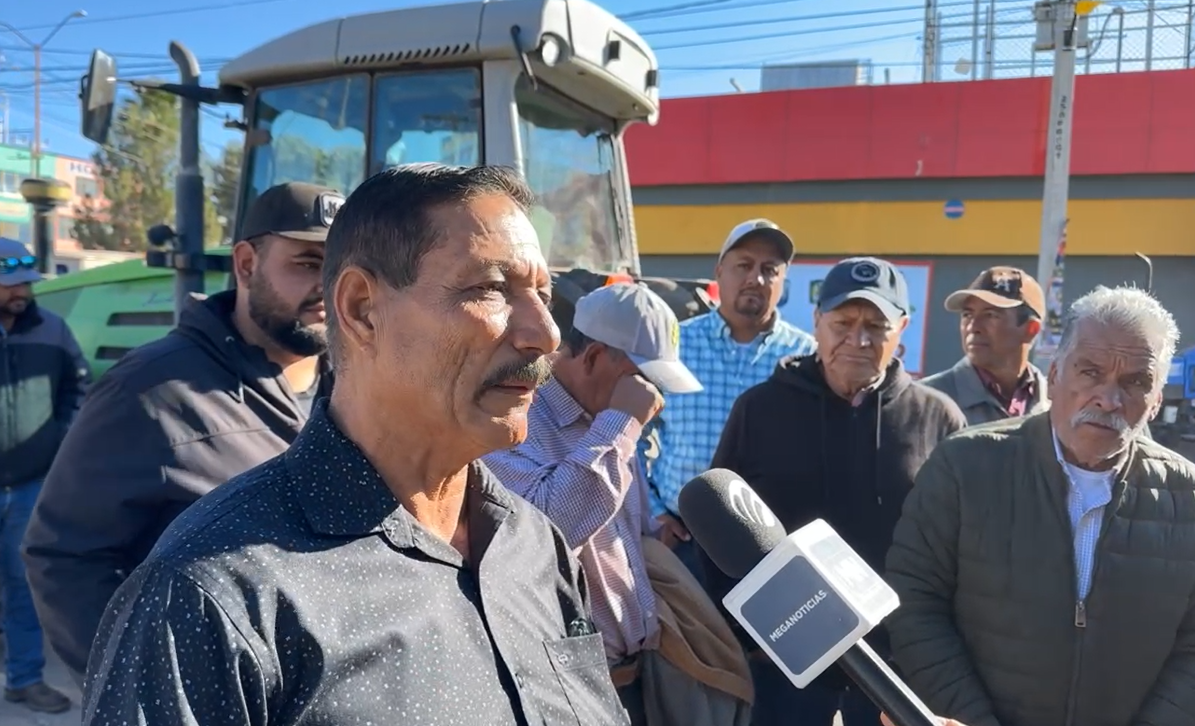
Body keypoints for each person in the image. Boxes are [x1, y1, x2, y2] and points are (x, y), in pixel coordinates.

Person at [82, 164, 630, 725]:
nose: (546, 333)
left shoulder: (535, 545)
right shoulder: (212, 594)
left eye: (544, 293)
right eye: (490, 289)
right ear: (362, 309)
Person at [22, 182, 341, 684]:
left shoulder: (361, 388)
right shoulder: (151, 391)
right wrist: (142, 688)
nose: (329, 283)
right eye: (306, 262)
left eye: (340, 263)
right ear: (246, 264)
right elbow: (64, 558)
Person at [886, 285, 1195, 726]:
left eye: (1136, 383)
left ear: (1158, 399)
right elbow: (915, 604)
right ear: (1054, 375)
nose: (1109, 400)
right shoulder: (965, 467)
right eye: (1090, 372)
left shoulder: (1186, 497)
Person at [705, 256, 967, 726]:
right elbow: (721, 530)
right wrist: (747, 640)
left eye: (876, 325)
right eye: (843, 322)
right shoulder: (760, 410)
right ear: (817, 322)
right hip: (783, 666)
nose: (858, 339)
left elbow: (962, 547)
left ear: (901, 329)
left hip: (896, 672)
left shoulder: (938, 418)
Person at [485, 283, 752, 726]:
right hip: (562, 688)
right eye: (642, 379)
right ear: (591, 358)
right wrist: (622, 422)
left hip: (630, 677)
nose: (653, 399)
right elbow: (545, 533)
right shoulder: (520, 417)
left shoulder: (608, 424)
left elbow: (626, 530)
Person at [648, 219, 816, 578]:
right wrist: (651, 510)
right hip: (682, 540)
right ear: (719, 272)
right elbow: (631, 435)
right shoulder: (675, 346)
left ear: (782, 281)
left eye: (769, 270)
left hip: (774, 547)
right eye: (744, 265)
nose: (756, 278)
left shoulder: (806, 356)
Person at [0, 239, 88, 713]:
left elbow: (78, 387)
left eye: (27, 283)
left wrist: (61, 439)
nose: (22, 291)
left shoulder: (52, 331)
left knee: (22, 584)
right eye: (11, 283)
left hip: (32, 483)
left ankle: (24, 679)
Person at [920, 266, 1049, 424]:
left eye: (990, 315)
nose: (973, 327)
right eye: (967, 315)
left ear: (1031, 329)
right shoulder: (925, 401)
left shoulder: (1058, 402)